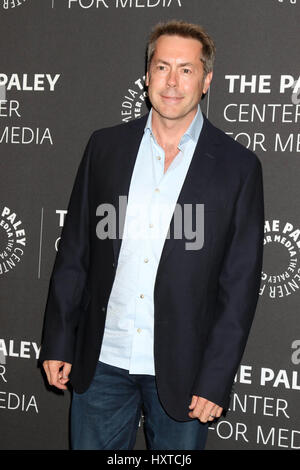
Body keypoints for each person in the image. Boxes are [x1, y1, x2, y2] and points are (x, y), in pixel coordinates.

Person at [39, 20, 264, 450]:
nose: (173, 82)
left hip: (184, 372)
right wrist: (59, 340)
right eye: (162, 67)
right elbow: (74, 254)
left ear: (206, 80)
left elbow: (239, 288)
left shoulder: (238, 167)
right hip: (101, 362)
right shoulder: (104, 147)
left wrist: (217, 378)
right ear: (147, 77)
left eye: (186, 69)